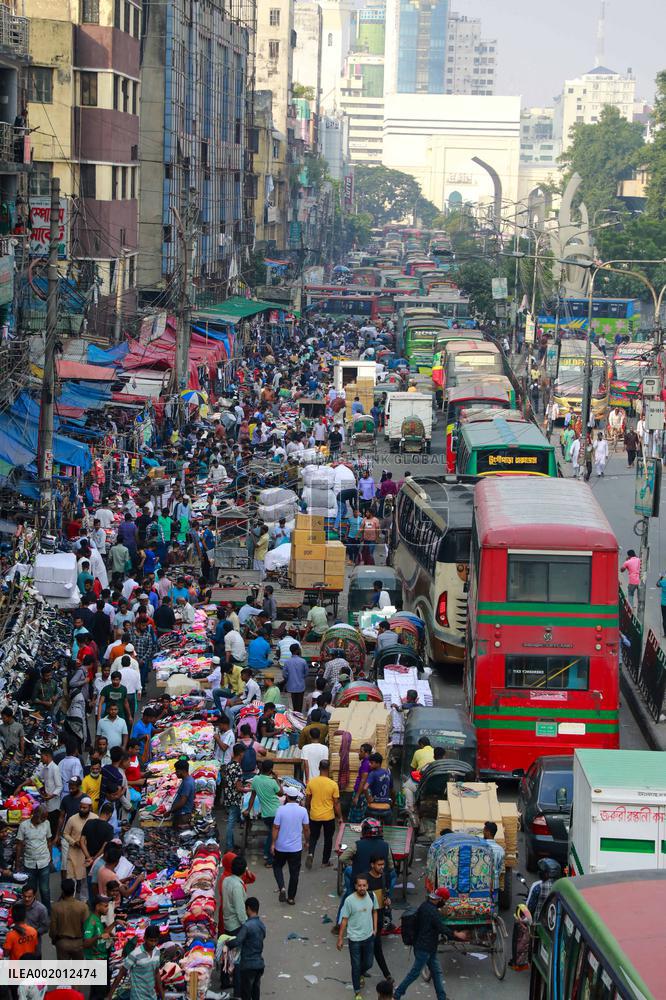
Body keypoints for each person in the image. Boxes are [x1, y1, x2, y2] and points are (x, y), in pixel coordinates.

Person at [393, 887, 457, 1000]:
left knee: (436, 972)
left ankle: (442, 997)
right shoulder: (433, 912)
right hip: (424, 948)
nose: (444, 903)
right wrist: (456, 935)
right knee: (414, 973)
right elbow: (441, 928)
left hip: (427, 946)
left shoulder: (425, 905)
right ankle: (397, 994)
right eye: (444, 901)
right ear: (440, 899)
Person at [337, 874, 379, 1000]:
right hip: (354, 939)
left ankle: (361, 973)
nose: (362, 888)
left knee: (369, 963)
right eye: (359, 885)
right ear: (355, 886)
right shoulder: (349, 900)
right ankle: (357, 992)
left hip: (368, 937)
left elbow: (375, 911)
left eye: (364, 885)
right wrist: (340, 938)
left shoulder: (372, 896)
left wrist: (375, 929)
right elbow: (344, 920)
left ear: (367, 886)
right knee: (355, 965)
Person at [271, 786, 309, 904]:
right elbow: (306, 829)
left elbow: (276, 827)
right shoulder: (303, 811)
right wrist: (307, 841)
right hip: (296, 848)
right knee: (294, 873)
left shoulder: (280, 810)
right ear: (297, 797)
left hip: (281, 846)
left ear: (286, 796)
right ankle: (291, 897)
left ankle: (282, 887)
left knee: (277, 866)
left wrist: (273, 843)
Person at [107, 923, 165, 1000]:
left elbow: (156, 973)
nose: (153, 944)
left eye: (155, 941)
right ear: (145, 938)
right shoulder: (135, 954)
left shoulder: (157, 951)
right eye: (151, 941)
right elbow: (121, 973)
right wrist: (110, 995)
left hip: (152, 996)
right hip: (137, 997)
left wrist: (162, 995)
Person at [224, 897, 266, 1000]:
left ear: (248, 908)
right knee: (256, 992)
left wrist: (227, 943)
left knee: (246, 993)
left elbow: (238, 941)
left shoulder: (247, 926)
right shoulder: (261, 925)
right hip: (259, 964)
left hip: (248, 965)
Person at [305, 759, 341, 869]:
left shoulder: (311, 782)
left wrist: (308, 809)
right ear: (329, 769)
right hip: (328, 817)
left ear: (319, 768)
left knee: (313, 837)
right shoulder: (333, 784)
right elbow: (336, 804)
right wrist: (340, 817)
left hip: (314, 815)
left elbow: (308, 799)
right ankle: (325, 862)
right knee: (328, 838)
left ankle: (311, 853)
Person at [16, 804, 52, 911]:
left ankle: (47, 912)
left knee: (45, 890)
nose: (45, 820)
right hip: (29, 863)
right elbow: (19, 845)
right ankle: (31, 912)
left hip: (44, 862)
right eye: (43, 817)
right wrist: (18, 864)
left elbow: (49, 841)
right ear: (35, 815)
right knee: (30, 890)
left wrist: (51, 858)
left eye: (46, 817)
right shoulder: (24, 825)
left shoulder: (47, 823)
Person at [247, 760, 282, 866]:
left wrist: (248, 810)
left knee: (272, 833)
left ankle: (269, 854)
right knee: (273, 834)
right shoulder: (272, 781)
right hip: (275, 811)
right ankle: (269, 857)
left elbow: (252, 796)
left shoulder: (256, 780)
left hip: (266, 814)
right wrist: (277, 779)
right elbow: (281, 793)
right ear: (271, 769)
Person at [49, 878, 88, 959]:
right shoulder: (83, 906)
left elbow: (53, 928)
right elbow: (87, 927)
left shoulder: (56, 907)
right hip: (78, 943)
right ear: (74, 890)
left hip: (62, 943)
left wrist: (54, 940)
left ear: (62, 890)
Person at [84, 895, 113, 1000]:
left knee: (96, 990)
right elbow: (86, 943)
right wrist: (98, 937)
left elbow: (103, 933)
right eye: (105, 906)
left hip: (100, 959)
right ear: (97, 907)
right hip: (95, 961)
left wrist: (115, 923)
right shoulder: (91, 922)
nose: (107, 908)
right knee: (99, 992)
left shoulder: (98, 919)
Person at [222, 743, 245, 852]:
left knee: (231, 822)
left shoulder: (229, 765)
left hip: (228, 796)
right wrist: (250, 789)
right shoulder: (238, 768)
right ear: (241, 753)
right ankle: (229, 847)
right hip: (235, 798)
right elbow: (239, 788)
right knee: (231, 823)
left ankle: (230, 844)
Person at [222, 854, 249, 936]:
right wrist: (247, 925)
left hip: (227, 923)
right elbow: (239, 909)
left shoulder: (226, 880)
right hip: (235, 926)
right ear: (244, 871)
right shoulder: (237, 886)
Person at [20, 884, 49, 957]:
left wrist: (34, 933)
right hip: (19, 945)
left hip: (34, 946)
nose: (27, 899)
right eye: (25, 896)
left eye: (29, 897)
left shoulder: (41, 909)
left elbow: (45, 927)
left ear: (34, 895)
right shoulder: (17, 905)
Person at [364, 752, 394, 822]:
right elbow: (392, 791)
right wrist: (391, 804)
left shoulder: (373, 774)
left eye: (371, 763)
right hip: (386, 809)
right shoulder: (388, 773)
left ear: (378, 763)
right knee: (387, 829)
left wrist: (369, 799)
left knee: (368, 827)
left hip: (373, 809)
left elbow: (365, 788)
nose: (369, 764)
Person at [282, 643, 309, 712]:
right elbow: (306, 673)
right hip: (300, 687)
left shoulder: (287, 662)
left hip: (291, 687)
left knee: (293, 705)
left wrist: (289, 679)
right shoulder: (303, 661)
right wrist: (300, 677)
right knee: (299, 706)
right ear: (297, 651)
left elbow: (284, 675)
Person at [482, 820, 505, 891]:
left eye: (484, 831)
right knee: (494, 902)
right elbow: (500, 868)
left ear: (488, 832)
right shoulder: (501, 850)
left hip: (482, 885)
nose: (483, 832)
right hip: (495, 885)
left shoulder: (481, 847)